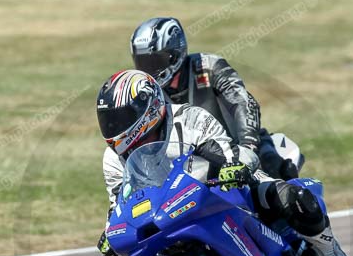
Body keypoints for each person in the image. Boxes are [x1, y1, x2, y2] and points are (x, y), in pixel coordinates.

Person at [95, 70, 353, 256]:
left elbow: (224, 151)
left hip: (222, 190)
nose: (114, 127)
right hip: (168, 212)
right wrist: (110, 229)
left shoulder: (188, 118)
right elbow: (119, 200)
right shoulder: (113, 159)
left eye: (120, 118)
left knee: (290, 198)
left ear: (148, 105)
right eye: (108, 120)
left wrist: (232, 167)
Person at [129, 16, 301, 181]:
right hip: (192, 165)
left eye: (154, 62)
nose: (149, 70)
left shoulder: (209, 67)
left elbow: (244, 103)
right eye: (142, 63)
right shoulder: (147, 92)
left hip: (242, 149)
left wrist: (248, 149)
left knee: (274, 175)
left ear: (174, 54)